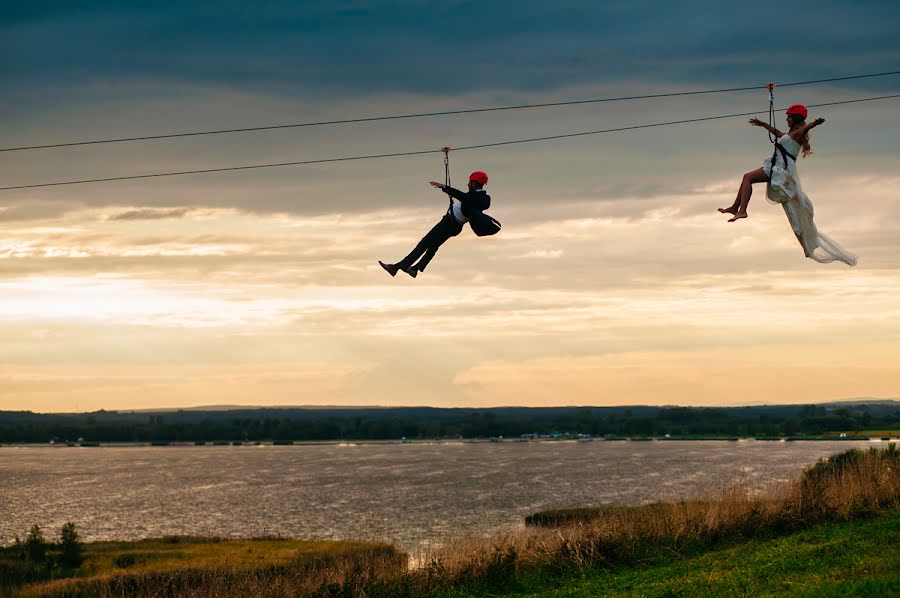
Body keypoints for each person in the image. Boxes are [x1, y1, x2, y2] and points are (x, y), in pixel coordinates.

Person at [719, 104, 857, 266]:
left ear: (796, 119)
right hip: (777, 165)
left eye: (789, 117)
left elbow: (802, 130)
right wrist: (764, 125)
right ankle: (737, 208)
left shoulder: (798, 133)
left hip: (781, 169)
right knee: (747, 177)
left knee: (748, 177)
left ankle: (741, 210)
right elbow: (779, 134)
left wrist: (814, 123)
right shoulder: (791, 134)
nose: (786, 119)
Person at [379, 171, 499, 278]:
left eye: (469, 182)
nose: (467, 184)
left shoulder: (473, 196)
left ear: (475, 183)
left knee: (424, 243)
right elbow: (466, 199)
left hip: (449, 223)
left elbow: (462, 196)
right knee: (432, 246)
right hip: (454, 225)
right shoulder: (481, 198)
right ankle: (416, 269)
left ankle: (397, 267)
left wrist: (444, 187)